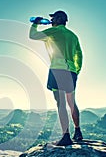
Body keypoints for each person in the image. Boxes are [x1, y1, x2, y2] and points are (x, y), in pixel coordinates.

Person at [29, 10, 83, 146]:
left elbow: (33, 36)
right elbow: (79, 55)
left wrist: (35, 24)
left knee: (61, 104)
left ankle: (66, 136)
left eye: (53, 18)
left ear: (59, 19)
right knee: (72, 102)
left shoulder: (55, 31)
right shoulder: (73, 36)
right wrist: (76, 70)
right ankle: (78, 131)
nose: (51, 21)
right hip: (71, 71)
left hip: (57, 70)